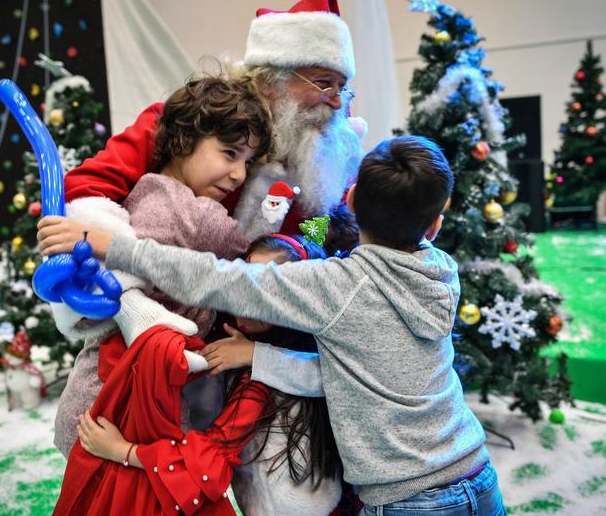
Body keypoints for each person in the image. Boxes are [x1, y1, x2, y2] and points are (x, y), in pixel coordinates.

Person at [39, 135, 505, 515]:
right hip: (476, 472)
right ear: (435, 227)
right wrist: (258, 355)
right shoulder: (442, 269)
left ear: (352, 199)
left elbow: (218, 279)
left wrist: (113, 246)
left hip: (410, 499)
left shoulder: (338, 286)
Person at [52, 74, 279, 458]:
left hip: (97, 395)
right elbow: (254, 252)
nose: (240, 174)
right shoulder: (198, 214)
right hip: (131, 405)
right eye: (229, 153)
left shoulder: (147, 190)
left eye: (248, 161)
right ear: (184, 140)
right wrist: (290, 213)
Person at [69, 234, 345, 516]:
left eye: (272, 289)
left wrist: (121, 451)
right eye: (246, 281)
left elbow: (208, 460)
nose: (250, 299)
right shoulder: (235, 352)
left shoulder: (287, 372)